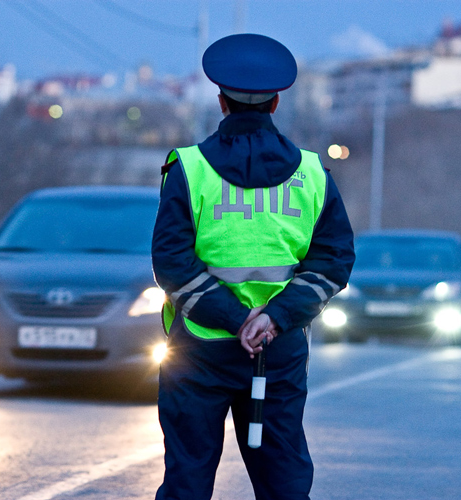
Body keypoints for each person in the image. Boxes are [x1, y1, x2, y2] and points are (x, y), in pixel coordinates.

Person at [152, 33, 355, 500]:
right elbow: (333, 261)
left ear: (220, 101)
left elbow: (172, 263)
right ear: (277, 102)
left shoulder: (188, 169)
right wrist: (271, 319)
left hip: (197, 354)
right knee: (283, 484)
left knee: (187, 481)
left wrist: (233, 318)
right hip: (276, 353)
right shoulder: (312, 174)